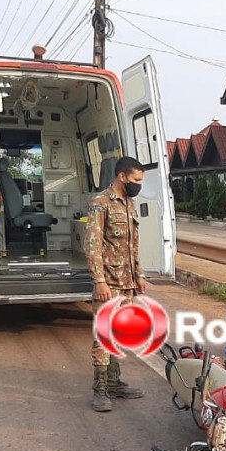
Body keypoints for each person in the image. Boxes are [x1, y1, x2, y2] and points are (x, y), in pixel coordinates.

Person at [86, 156, 148, 411]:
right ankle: (99, 390)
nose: (138, 184)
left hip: (127, 283)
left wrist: (139, 275)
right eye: (136, 180)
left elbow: (133, 244)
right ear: (122, 176)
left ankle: (114, 383)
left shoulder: (130, 204)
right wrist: (99, 280)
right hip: (109, 283)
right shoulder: (101, 203)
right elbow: (92, 244)